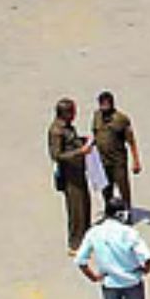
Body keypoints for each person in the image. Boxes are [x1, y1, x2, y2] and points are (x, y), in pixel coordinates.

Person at [75, 198, 150, 299]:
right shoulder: (129, 232)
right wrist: (144, 270)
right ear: (120, 214)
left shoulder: (94, 232)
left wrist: (94, 277)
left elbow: (81, 260)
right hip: (132, 280)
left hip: (109, 282)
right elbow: (147, 257)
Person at [49, 98, 93, 256]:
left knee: (85, 205)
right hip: (69, 176)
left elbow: (71, 142)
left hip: (79, 172)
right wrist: (79, 152)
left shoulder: (68, 128)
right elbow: (57, 155)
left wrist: (82, 141)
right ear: (65, 113)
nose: (75, 114)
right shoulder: (56, 131)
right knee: (76, 210)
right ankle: (75, 243)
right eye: (72, 111)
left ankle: (87, 237)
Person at [91, 91, 141, 219]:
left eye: (107, 104)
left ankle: (127, 212)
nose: (104, 107)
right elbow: (95, 134)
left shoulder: (121, 119)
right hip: (102, 159)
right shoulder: (96, 116)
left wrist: (136, 161)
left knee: (123, 186)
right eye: (102, 104)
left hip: (118, 160)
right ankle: (109, 212)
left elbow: (131, 141)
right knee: (106, 187)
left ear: (112, 104)